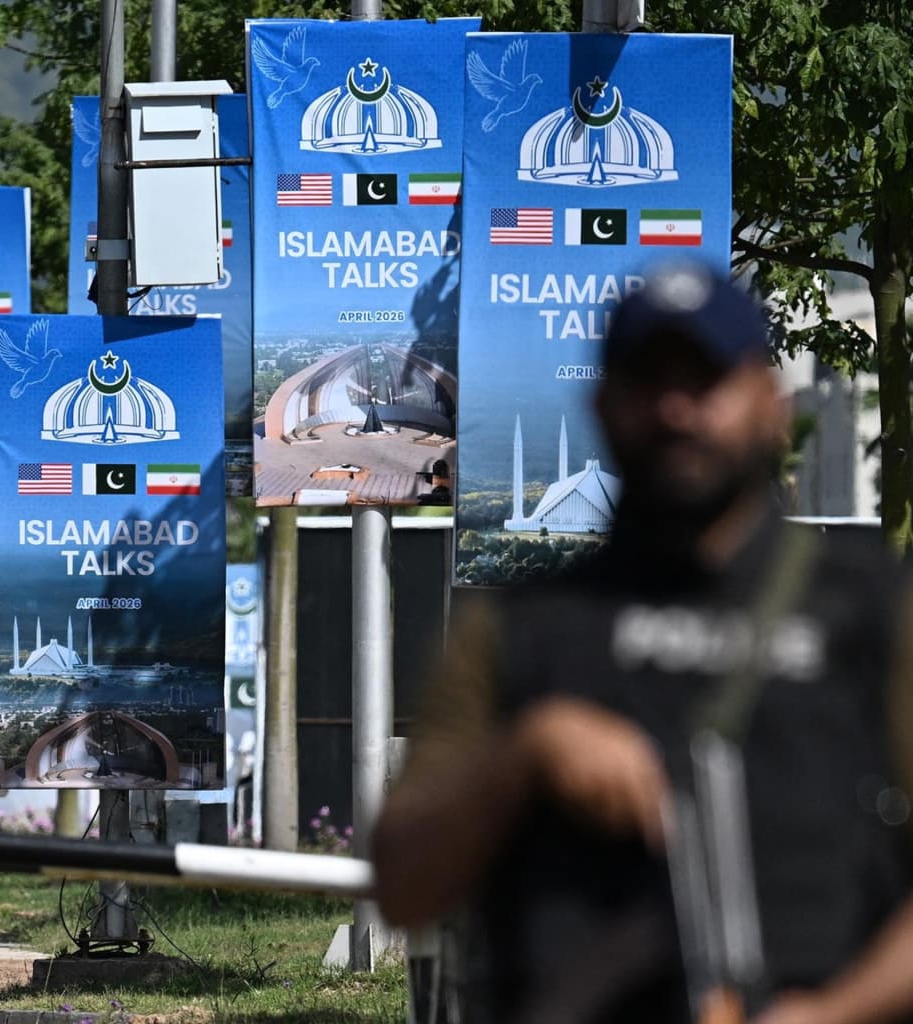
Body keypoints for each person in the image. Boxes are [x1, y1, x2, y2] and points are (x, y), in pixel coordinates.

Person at [372, 262, 913, 1024]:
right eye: (647, 380)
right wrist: (526, 755)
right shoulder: (525, 627)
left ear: (771, 404)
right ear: (600, 403)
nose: (676, 409)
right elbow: (401, 883)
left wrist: (830, 1013)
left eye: (706, 380)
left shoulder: (873, 611)